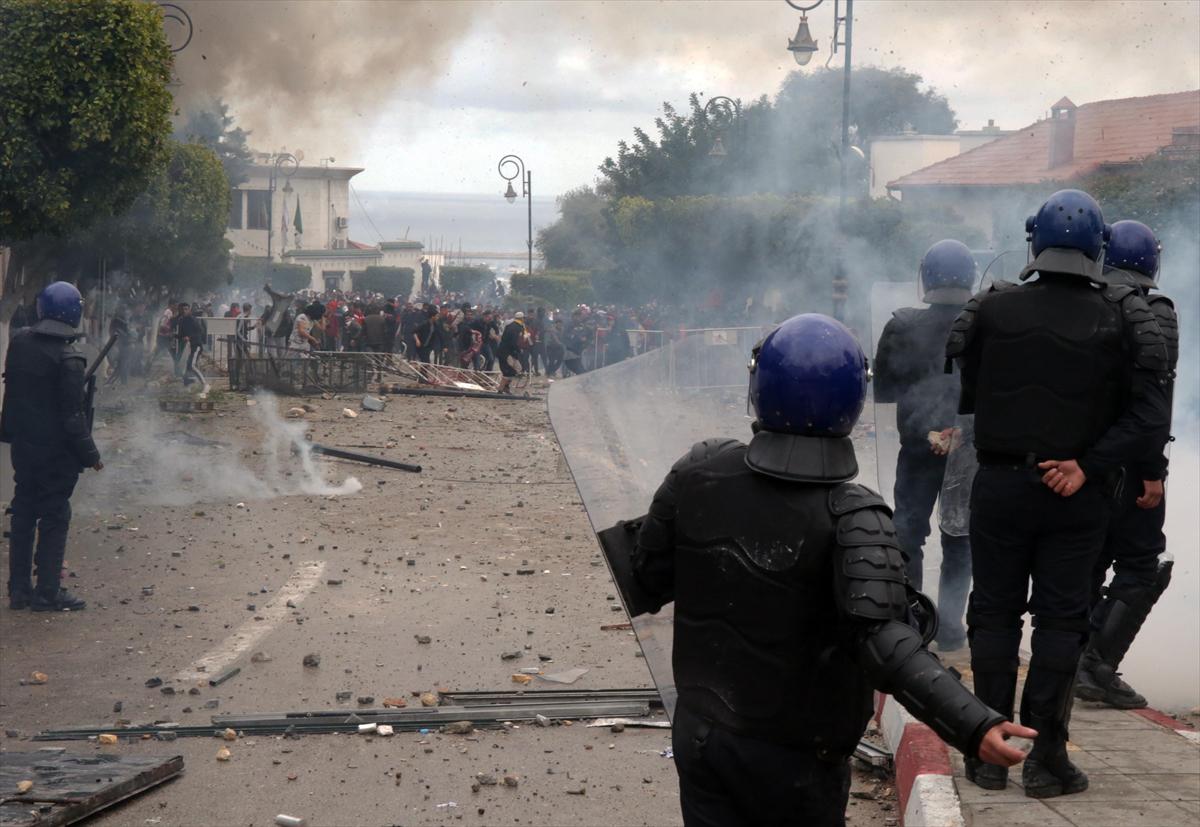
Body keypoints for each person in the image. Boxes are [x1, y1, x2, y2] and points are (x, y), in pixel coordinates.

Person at [628, 314, 1032, 827]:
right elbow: (887, 646)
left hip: (702, 738)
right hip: (797, 759)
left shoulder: (699, 470)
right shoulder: (853, 513)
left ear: (758, 384)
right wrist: (974, 724)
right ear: (853, 400)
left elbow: (645, 576)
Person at [946, 190, 1171, 797]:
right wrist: (1086, 465)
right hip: (1074, 492)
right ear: (1098, 245)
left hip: (999, 485)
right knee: (1061, 620)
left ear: (1035, 241)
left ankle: (989, 756)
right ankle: (1045, 763)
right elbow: (1149, 418)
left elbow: (972, 395)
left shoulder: (990, 306)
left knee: (993, 612)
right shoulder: (1125, 314)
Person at [1076, 220, 1179, 709]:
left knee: (1089, 558)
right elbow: (1155, 402)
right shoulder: (1156, 312)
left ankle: (1068, 659)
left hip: (1082, 461)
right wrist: (1153, 470)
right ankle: (1096, 664)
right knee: (1141, 564)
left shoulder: (1084, 302)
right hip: (1132, 463)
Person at [873, 239, 977, 652]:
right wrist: (960, 431)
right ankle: (950, 629)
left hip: (918, 447)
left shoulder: (902, 325)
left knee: (907, 533)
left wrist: (928, 427)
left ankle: (911, 624)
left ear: (926, 276)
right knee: (959, 538)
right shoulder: (985, 322)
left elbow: (885, 389)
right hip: (968, 450)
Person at [1, 282, 102, 611]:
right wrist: (91, 455)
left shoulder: (18, 344)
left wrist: (9, 433)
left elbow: (13, 395)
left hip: (24, 448)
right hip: (56, 455)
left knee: (23, 513)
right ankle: (47, 591)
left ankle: (18, 590)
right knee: (55, 516)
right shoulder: (69, 358)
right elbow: (73, 417)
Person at [496, 311, 527, 394]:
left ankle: (506, 387)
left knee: (517, 368)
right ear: (522, 319)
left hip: (510, 352)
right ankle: (500, 389)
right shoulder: (517, 328)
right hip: (506, 352)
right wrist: (519, 350)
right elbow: (514, 342)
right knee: (508, 372)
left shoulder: (511, 326)